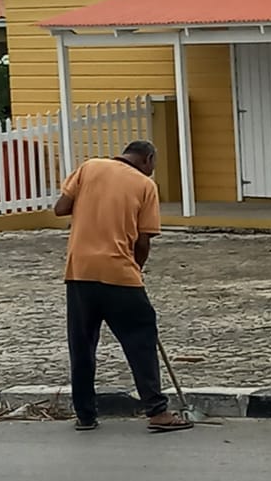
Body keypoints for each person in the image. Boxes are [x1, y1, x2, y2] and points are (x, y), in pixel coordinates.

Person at [53, 140, 192, 434]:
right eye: (153, 165)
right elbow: (143, 240)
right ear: (148, 159)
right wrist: (136, 269)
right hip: (120, 274)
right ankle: (157, 411)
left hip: (79, 272)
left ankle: (85, 415)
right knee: (141, 340)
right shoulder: (145, 186)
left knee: (82, 346)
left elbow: (60, 208)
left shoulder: (89, 167)